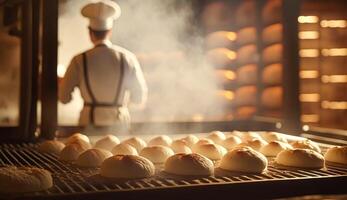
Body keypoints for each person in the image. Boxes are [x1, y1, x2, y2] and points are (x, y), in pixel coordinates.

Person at [59, 1, 147, 129]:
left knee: (88, 150)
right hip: (119, 125)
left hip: (88, 125)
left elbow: (63, 98)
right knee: (120, 150)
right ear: (110, 31)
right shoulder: (128, 58)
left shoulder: (78, 60)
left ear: (90, 32)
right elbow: (139, 98)